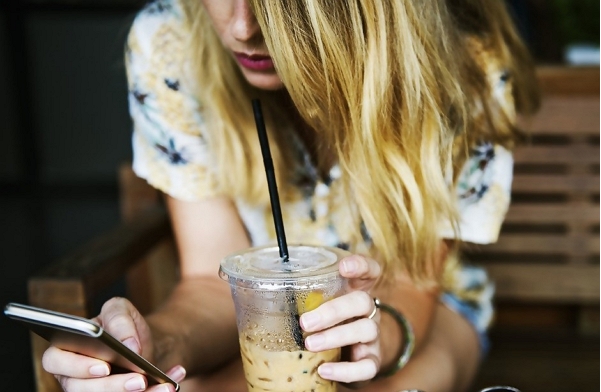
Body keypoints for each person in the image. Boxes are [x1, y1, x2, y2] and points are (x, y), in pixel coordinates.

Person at [42, 0, 539, 391]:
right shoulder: (170, 43)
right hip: (260, 323)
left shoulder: (463, 68)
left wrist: (371, 338)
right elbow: (212, 283)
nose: (241, 26)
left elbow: (414, 283)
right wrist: (153, 344)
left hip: (417, 311)